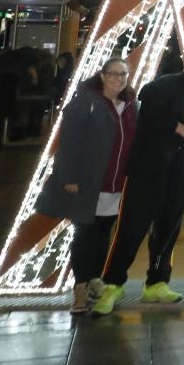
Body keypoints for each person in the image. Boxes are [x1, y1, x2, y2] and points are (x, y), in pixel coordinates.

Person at [93, 46, 184, 314]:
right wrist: (177, 127)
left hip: (183, 173)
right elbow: (146, 109)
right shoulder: (164, 86)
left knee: (168, 228)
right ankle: (113, 284)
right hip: (149, 170)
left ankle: (157, 282)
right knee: (131, 227)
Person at [33, 58, 135, 310]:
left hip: (116, 182)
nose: (118, 78)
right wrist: (70, 177)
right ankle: (80, 286)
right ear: (102, 75)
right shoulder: (85, 101)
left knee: (103, 233)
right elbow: (69, 142)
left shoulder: (131, 105)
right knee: (85, 233)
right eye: (113, 73)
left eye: (123, 74)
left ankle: (95, 279)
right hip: (89, 182)